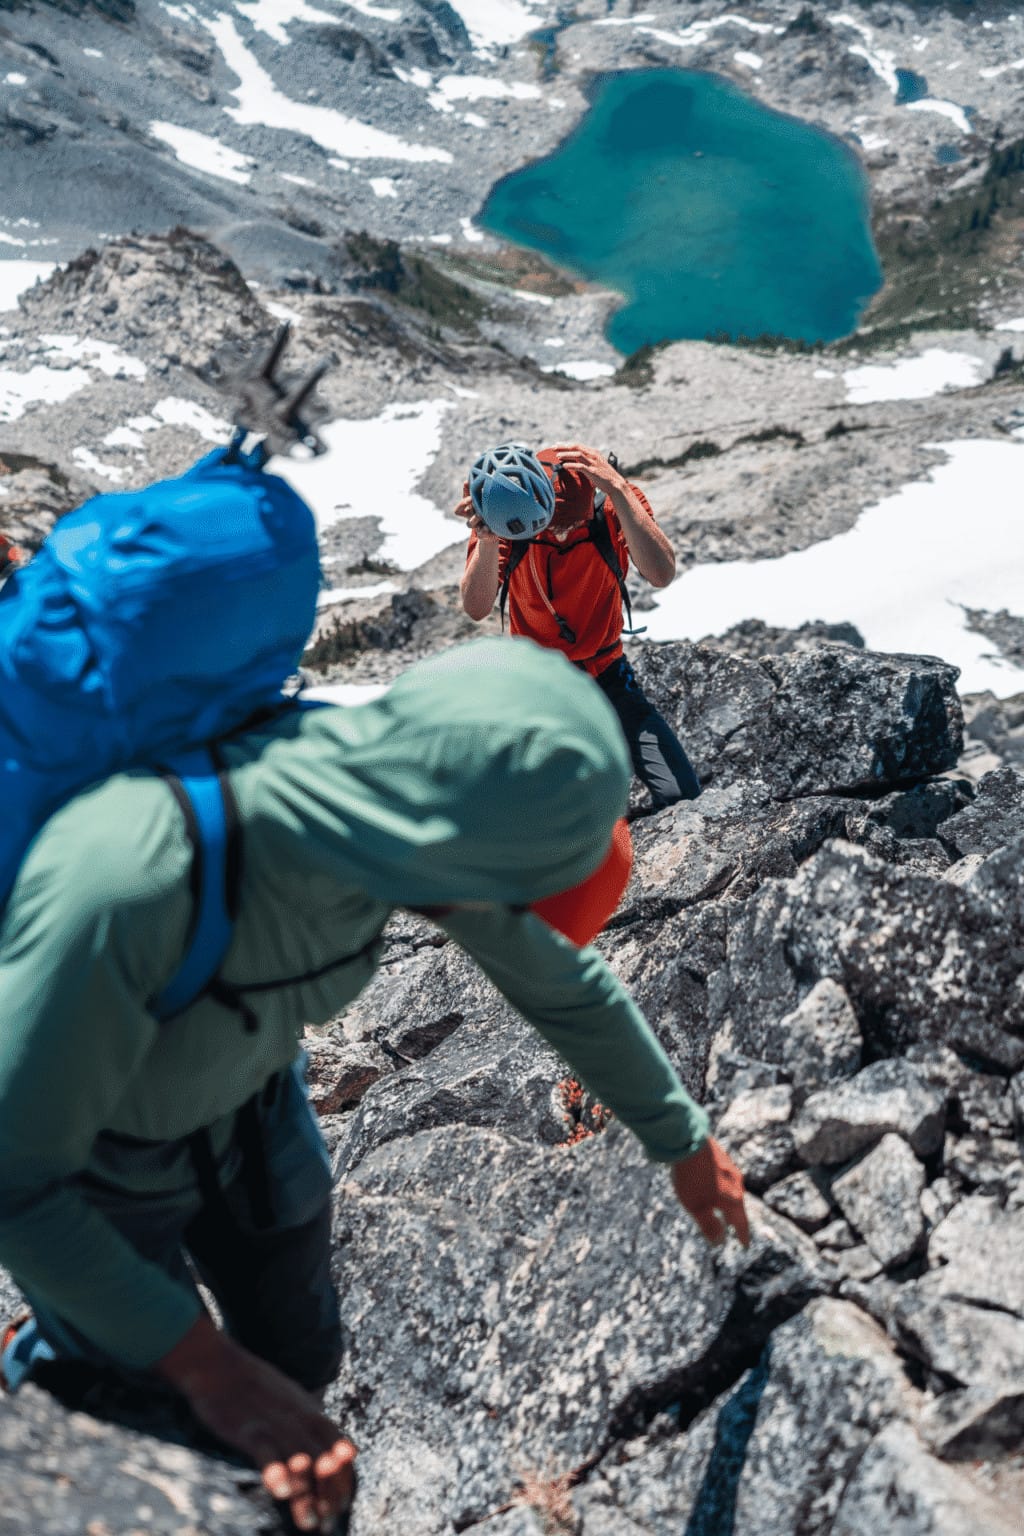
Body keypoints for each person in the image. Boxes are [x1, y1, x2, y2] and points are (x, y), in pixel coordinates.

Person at [0, 639, 748, 1534]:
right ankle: (36, 1379)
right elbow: (14, 1179)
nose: (495, 916)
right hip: (98, 1171)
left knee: (301, 1354)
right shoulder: (129, 878)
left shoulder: (403, 805)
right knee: (139, 1407)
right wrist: (207, 1370)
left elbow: (559, 983)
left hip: (254, 1117)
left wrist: (684, 1141)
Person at [458, 442, 701, 810]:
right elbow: (476, 607)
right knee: (559, 809)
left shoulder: (616, 502)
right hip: (539, 682)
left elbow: (661, 573)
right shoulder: (511, 512)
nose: (558, 534)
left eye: (570, 526)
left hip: (606, 671)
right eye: (550, 526)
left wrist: (618, 489)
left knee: (681, 793)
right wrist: (488, 539)